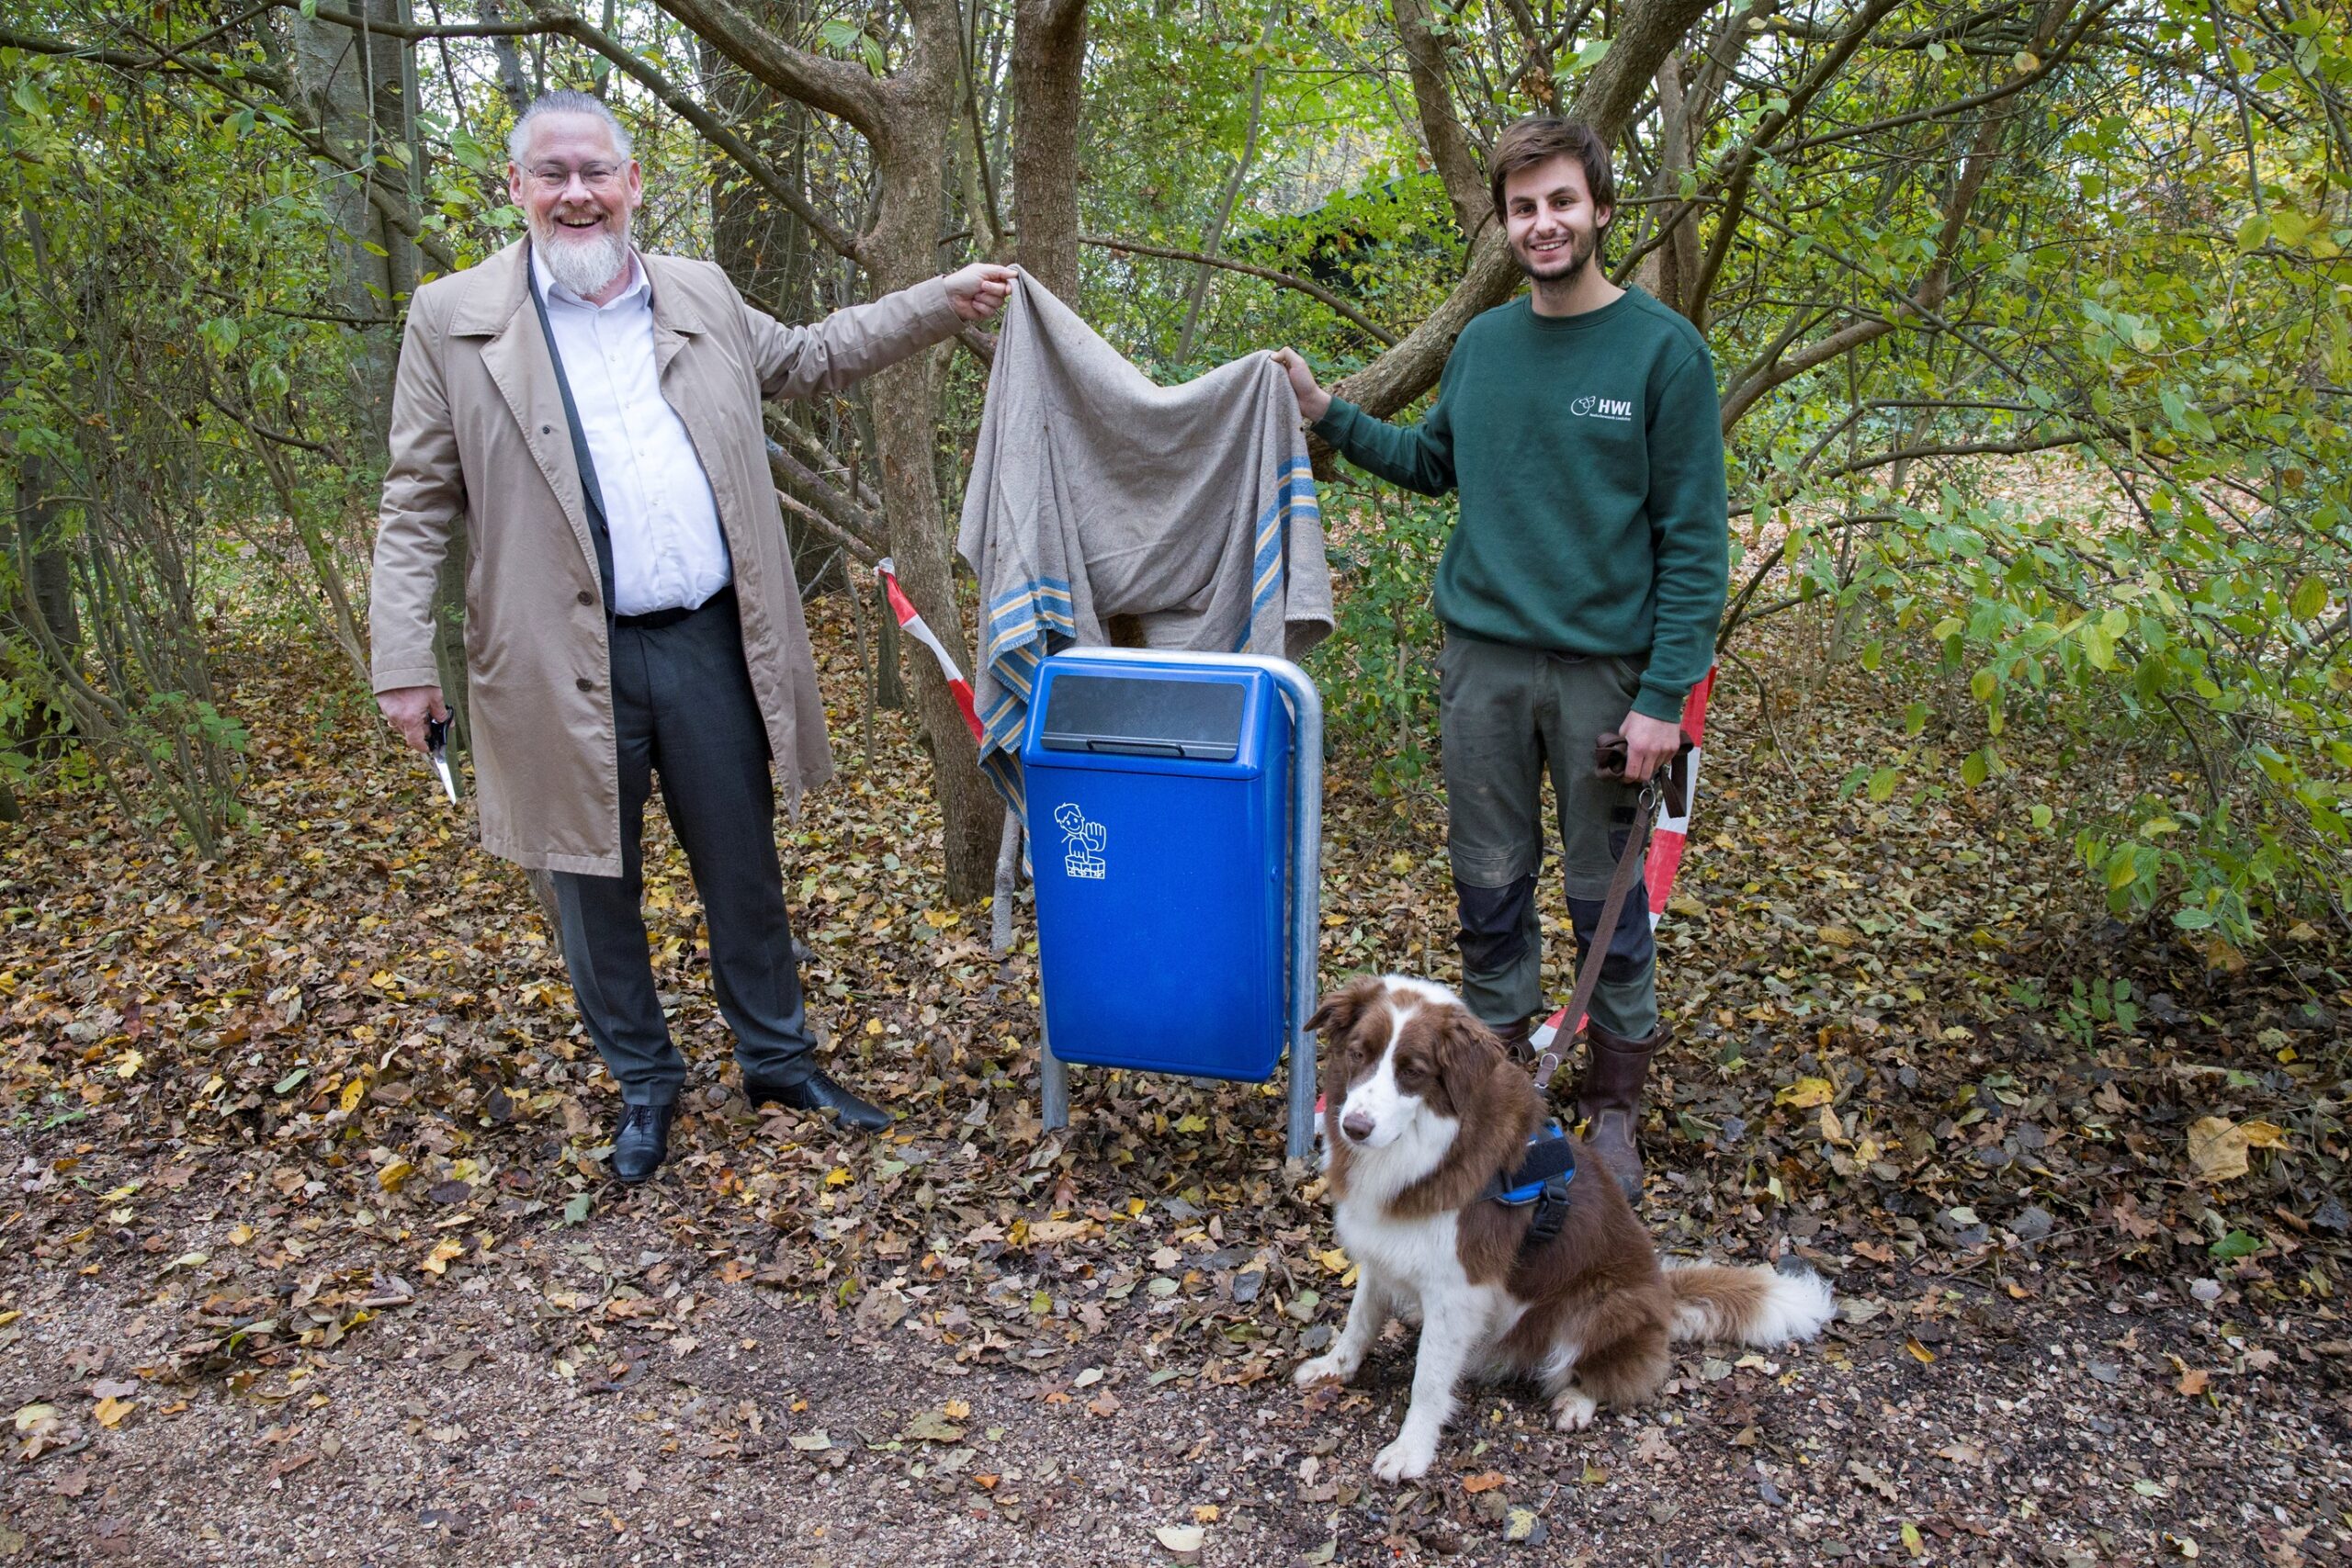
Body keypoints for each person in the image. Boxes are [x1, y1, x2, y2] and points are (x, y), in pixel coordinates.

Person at [371, 90, 1015, 1182]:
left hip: (712, 640)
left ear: (632, 184)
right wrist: (400, 663)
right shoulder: (453, 317)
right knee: (591, 883)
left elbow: (813, 355)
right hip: (553, 659)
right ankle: (645, 1086)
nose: (577, 195)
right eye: (553, 175)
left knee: (742, 866)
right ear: (516, 189)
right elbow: (416, 496)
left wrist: (938, 302)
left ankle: (777, 1060)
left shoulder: (700, 294)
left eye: (596, 173)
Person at [1272, 117, 1728, 1198]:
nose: (1543, 223)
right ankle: (1507, 1088)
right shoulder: (1482, 347)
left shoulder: (1662, 353)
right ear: (1503, 223)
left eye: (1562, 201)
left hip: (1606, 677)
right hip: (1482, 661)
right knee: (1489, 882)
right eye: (1523, 207)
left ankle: (1613, 1100)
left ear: (1601, 210)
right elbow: (1433, 463)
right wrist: (1328, 413)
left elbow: (1696, 546)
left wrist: (1665, 696)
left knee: (1599, 897)